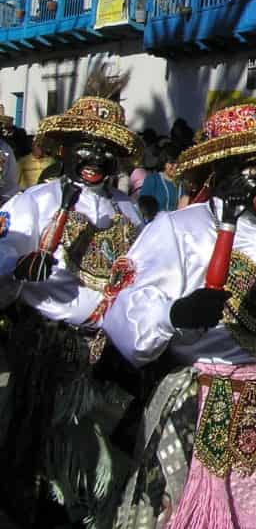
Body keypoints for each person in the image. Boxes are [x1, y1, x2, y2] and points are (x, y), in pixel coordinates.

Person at [105, 103, 256, 528]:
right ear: (222, 168)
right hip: (200, 408)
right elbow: (123, 310)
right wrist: (173, 314)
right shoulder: (178, 230)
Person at [0, 95, 144, 526]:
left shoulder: (130, 211)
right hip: (53, 353)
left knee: (109, 470)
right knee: (46, 471)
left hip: (114, 359)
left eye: (107, 148)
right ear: (63, 147)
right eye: (85, 144)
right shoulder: (35, 203)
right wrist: (20, 267)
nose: (96, 156)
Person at [138, 145, 181, 212]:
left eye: (178, 162)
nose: (176, 166)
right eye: (172, 162)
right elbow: (143, 207)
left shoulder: (182, 182)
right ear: (164, 162)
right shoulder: (152, 180)